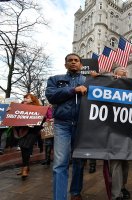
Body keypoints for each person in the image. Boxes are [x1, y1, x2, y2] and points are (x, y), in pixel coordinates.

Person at [45, 53, 87, 200]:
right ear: (65, 64)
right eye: (70, 60)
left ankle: (75, 192)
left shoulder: (89, 81)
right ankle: (59, 197)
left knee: (79, 161)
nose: (73, 62)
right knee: (60, 163)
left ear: (81, 65)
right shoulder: (55, 79)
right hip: (62, 125)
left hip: (82, 125)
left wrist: (116, 79)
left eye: (76, 60)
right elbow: (51, 96)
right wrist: (72, 90)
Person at [109, 65, 131, 200]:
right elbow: (100, 79)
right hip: (113, 129)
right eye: (121, 69)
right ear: (115, 73)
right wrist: (112, 79)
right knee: (116, 161)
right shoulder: (110, 81)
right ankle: (116, 194)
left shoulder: (131, 85)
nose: (125, 70)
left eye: (125, 69)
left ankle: (123, 187)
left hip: (128, 129)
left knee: (126, 162)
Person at [12, 94, 44, 178]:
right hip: (23, 131)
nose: (25, 99)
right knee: (23, 149)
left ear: (32, 99)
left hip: (32, 132)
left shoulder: (38, 108)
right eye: (24, 97)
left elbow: (42, 121)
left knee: (25, 147)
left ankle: (25, 168)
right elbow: (14, 117)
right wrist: (9, 111)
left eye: (27, 97)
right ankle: (25, 167)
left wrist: (33, 124)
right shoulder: (20, 107)